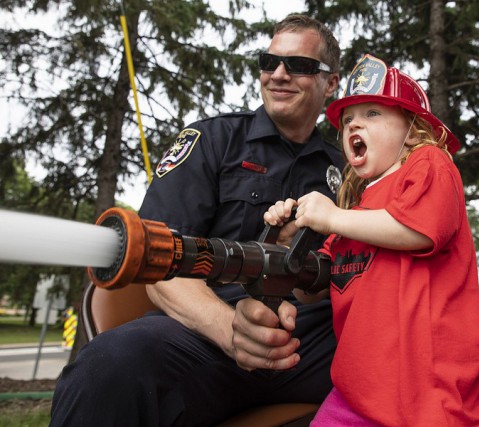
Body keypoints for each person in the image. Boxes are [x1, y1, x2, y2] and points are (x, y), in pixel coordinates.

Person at [50, 14, 343, 426]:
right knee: (111, 364)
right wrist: (230, 331)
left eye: (298, 65)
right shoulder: (213, 142)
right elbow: (159, 262)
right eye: (268, 61)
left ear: (331, 83)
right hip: (207, 336)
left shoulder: (347, 171)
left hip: (313, 342)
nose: (277, 75)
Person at [264, 54, 479, 425]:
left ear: (412, 127)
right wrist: (289, 243)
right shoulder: (356, 209)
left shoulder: (429, 162)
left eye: (373, 114)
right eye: (349, 119)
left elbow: (418, 230)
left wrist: (333, 216)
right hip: (355, 394)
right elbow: (313, 290)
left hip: (428, 397)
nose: (355, 124)